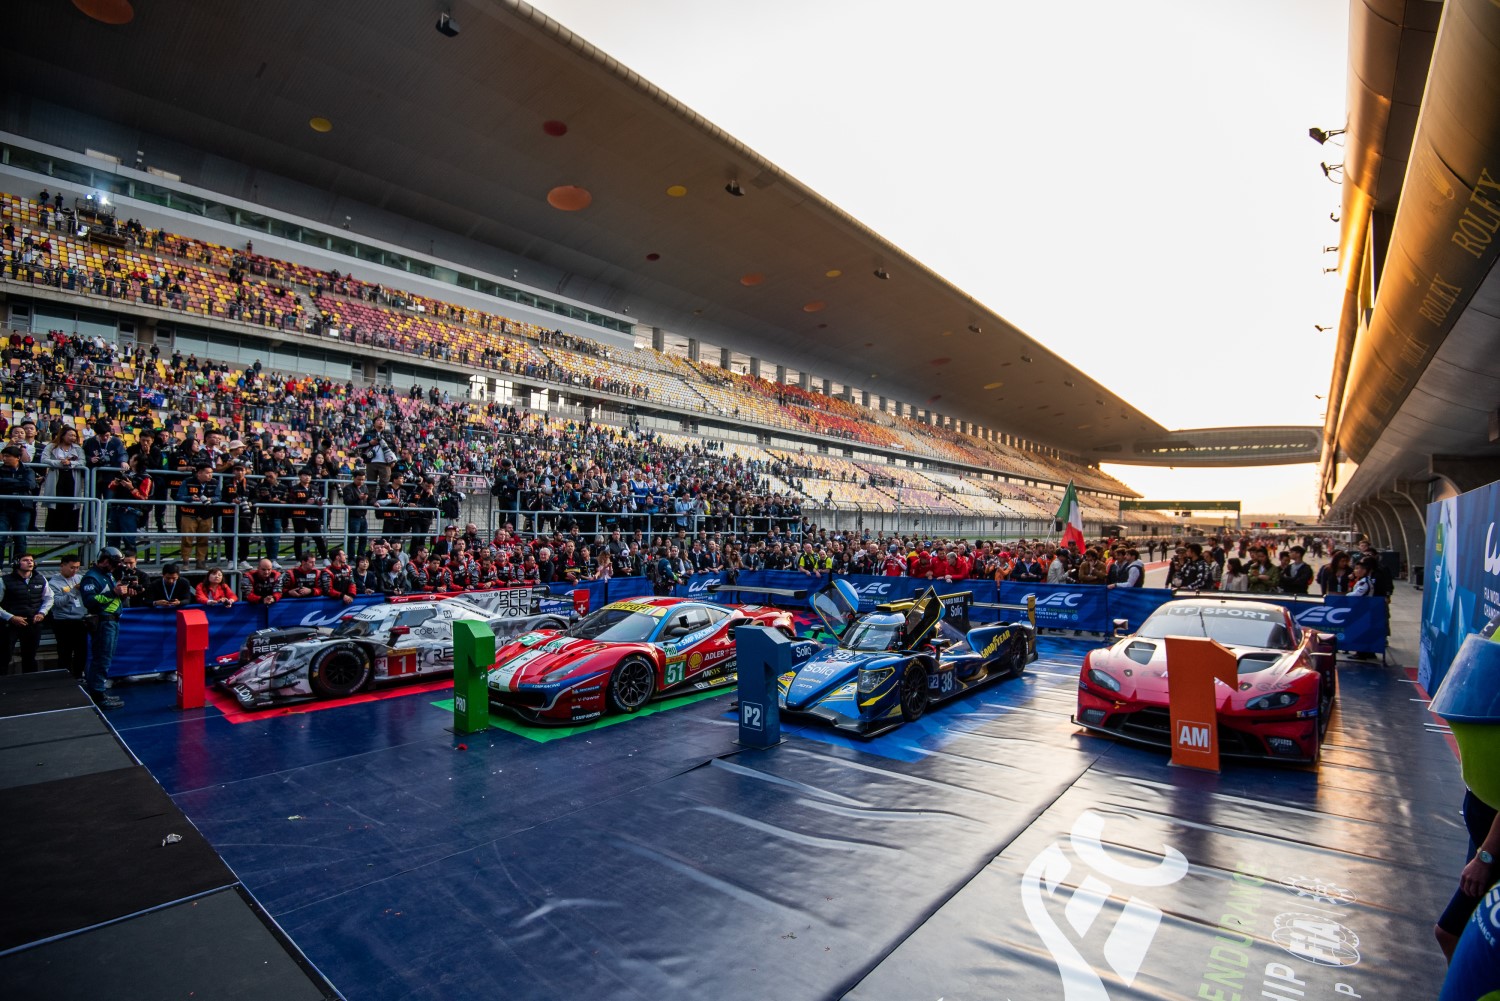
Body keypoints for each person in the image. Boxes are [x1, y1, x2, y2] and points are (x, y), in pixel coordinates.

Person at [79, 547, 129, 709]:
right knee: (102, 658)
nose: (116, 568)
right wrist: (113, 592)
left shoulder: (107, 575)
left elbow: (113, 596)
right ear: (106, 561)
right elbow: (90, 601)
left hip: (111, 621)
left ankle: (98, 692)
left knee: (105, 657)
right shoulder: (91, 578)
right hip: (102, 622)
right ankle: (98, 695)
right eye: (114, 564)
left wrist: (123, 593)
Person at [0, 553, 54, 674]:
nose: (30, 562)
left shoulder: (40, 578)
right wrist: (11, 617)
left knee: (30, 657)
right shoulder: (4, 581)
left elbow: (49, 598)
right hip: (10, 625)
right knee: (4, 657)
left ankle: (30, 685)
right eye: (25, 560)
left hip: (33, 623)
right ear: (16, 563)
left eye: (31, 560)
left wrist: (42, 613)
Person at [48, 553, 89, 678]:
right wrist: (74, 591)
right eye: (72, 567)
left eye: (77, 567)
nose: (75, 571)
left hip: (80, 620)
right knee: (65, 651)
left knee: (81, 651)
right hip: (63, 621)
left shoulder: (80, 578)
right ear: (62, 566)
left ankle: (78, 675)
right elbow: (58, 603)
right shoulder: (53, 583)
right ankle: (64, 677)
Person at [40, 426, 87, 533]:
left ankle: (70, 530)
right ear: (63, 435)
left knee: (71, 503)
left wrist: (70, 463)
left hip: (72, 477)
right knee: (55, 502)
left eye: (75, 435)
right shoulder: (51, 446)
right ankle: (53, 531)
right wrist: (59, 463)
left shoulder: (78, 448)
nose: (73, 437)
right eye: (70, 435)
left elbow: (82, 462)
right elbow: (44, 459)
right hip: (56, 476)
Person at [176, 463, 219, 569]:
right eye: (208, 473)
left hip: (206, 515)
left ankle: (200, 561)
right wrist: (190, 498)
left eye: (211, 473)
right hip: (189, 514)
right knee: (187, 539)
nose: (210, 475)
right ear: (199, 473)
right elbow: (179, 496)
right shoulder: (188, 481)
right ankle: (185, 562)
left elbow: (218, 496)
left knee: (203, 539)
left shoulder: (215, 483)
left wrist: (211, 499)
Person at [0, 446, 37, 566]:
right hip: (3, 508)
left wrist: (7, 483)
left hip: (22, 508)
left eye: (7, 456)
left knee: (20, 540)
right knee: (0, 538)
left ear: (18, 458)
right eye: (3, 456)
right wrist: (19, 483)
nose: (4, 459)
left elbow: (30, 484)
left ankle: (18, 567)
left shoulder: (27, 470)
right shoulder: (1, 470)